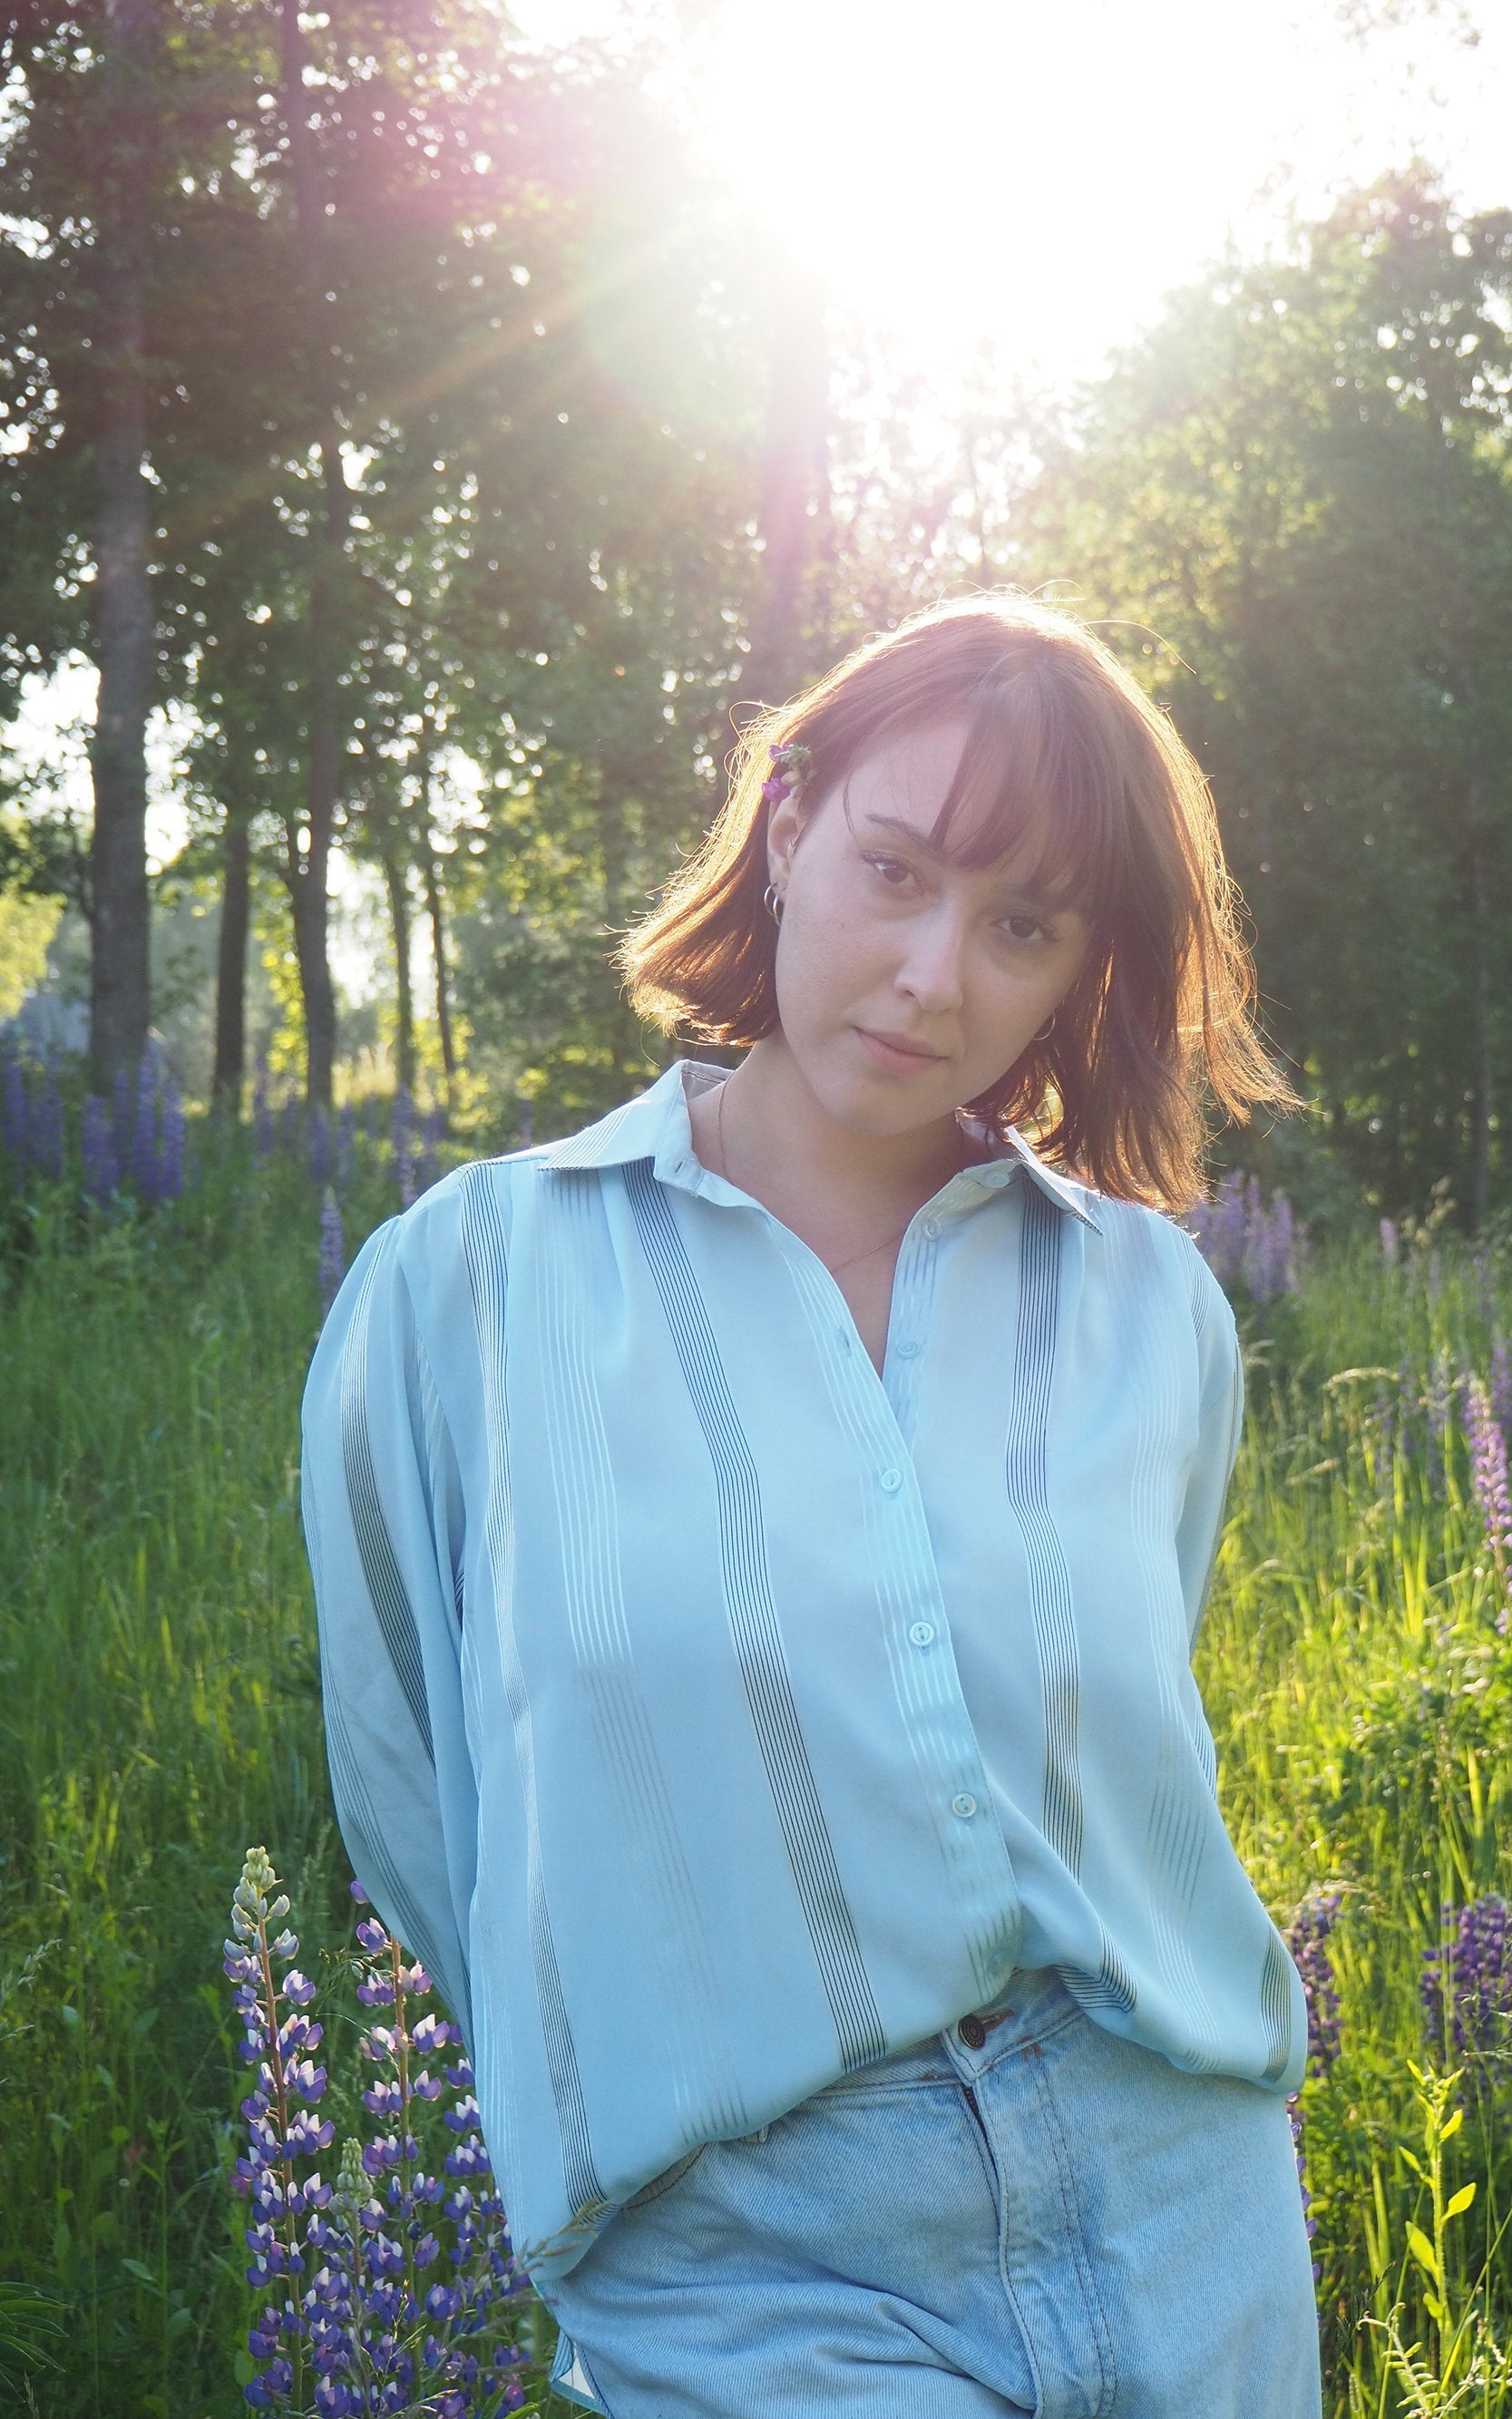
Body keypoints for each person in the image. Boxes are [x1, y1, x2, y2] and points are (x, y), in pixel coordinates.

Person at [301, 594, 1321, 2417]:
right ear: (786, 826)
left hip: (1183, 2195)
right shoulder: (465, 1284)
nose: (937, 971)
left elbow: (1114, 1730)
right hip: (757, 2246)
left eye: (1021, 925)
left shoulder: (1146, 1304)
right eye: (894, 868)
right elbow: (414, 1783)